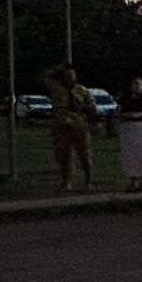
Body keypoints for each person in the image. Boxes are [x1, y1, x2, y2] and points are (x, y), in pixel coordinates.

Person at [44, 63, 95, 192]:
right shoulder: (56, 88)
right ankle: (66, 183)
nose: (70, 78)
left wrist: (86, 111)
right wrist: (58, 68)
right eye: (67, 76)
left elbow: (92, 107)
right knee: (63, 156)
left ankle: (88, 182)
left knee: (84, 154)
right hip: (61, 125)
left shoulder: (82, 90)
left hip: (79, 125)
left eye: (72, 76)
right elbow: (46, 77)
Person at [117, 77, 142, 193]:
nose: (137, 86)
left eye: (139, 84)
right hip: (129, 129)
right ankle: (132, 181)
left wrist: (129, 115)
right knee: (130, 155)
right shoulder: (125, 98)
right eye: (135, 84)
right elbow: (120, 112)